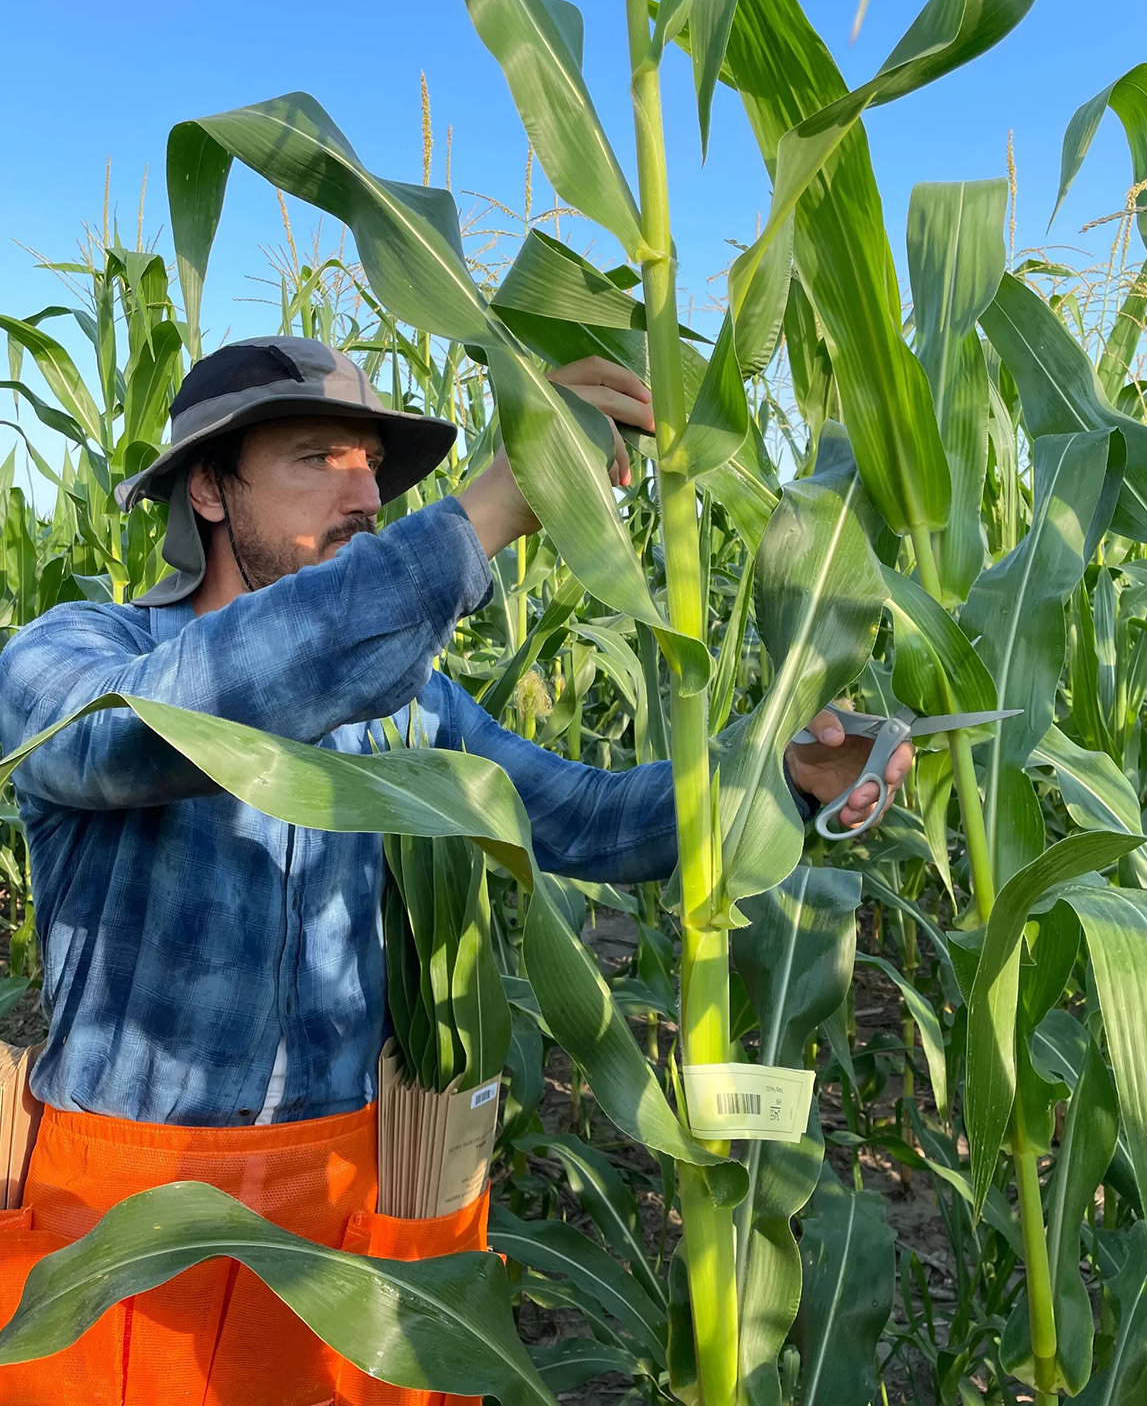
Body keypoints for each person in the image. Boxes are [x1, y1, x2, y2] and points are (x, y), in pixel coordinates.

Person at [0, 337, 912, 1405]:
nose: (364, 495)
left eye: (371, 468)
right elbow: (147, 729)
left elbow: (586, 818)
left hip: (341, 1213)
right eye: (316, 457)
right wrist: (479, 517)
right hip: (124, 1229)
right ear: (207, 488)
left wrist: (779, 774)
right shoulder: (73, 657)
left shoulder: (409, 705)